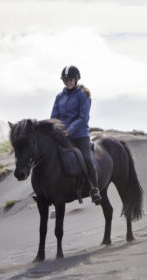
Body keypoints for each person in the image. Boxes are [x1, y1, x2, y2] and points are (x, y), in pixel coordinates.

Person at [51, 65, 102, 205]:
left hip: (80, 134)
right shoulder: (59, 97)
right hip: (62, 135)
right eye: (65, 80)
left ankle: (94, 189)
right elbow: (54, 116)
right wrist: (54, 129)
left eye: (70, 79)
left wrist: (69, 130)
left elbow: (83, 117)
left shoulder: (83, 95)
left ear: (76, 79)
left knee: (86, 158)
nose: (68, 82)